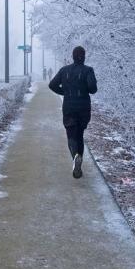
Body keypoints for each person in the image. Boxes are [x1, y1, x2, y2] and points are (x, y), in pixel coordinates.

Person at [48, 46, 97, 178]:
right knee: (79, 134)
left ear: (73, 56)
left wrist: (65, 92)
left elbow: (52, 84)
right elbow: (93, 89)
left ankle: (75, 156)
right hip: (84, 108)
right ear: (84, 56)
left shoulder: (64, 70)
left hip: (69, 106)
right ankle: (79, 157)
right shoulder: (88, 70)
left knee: (71, 133)